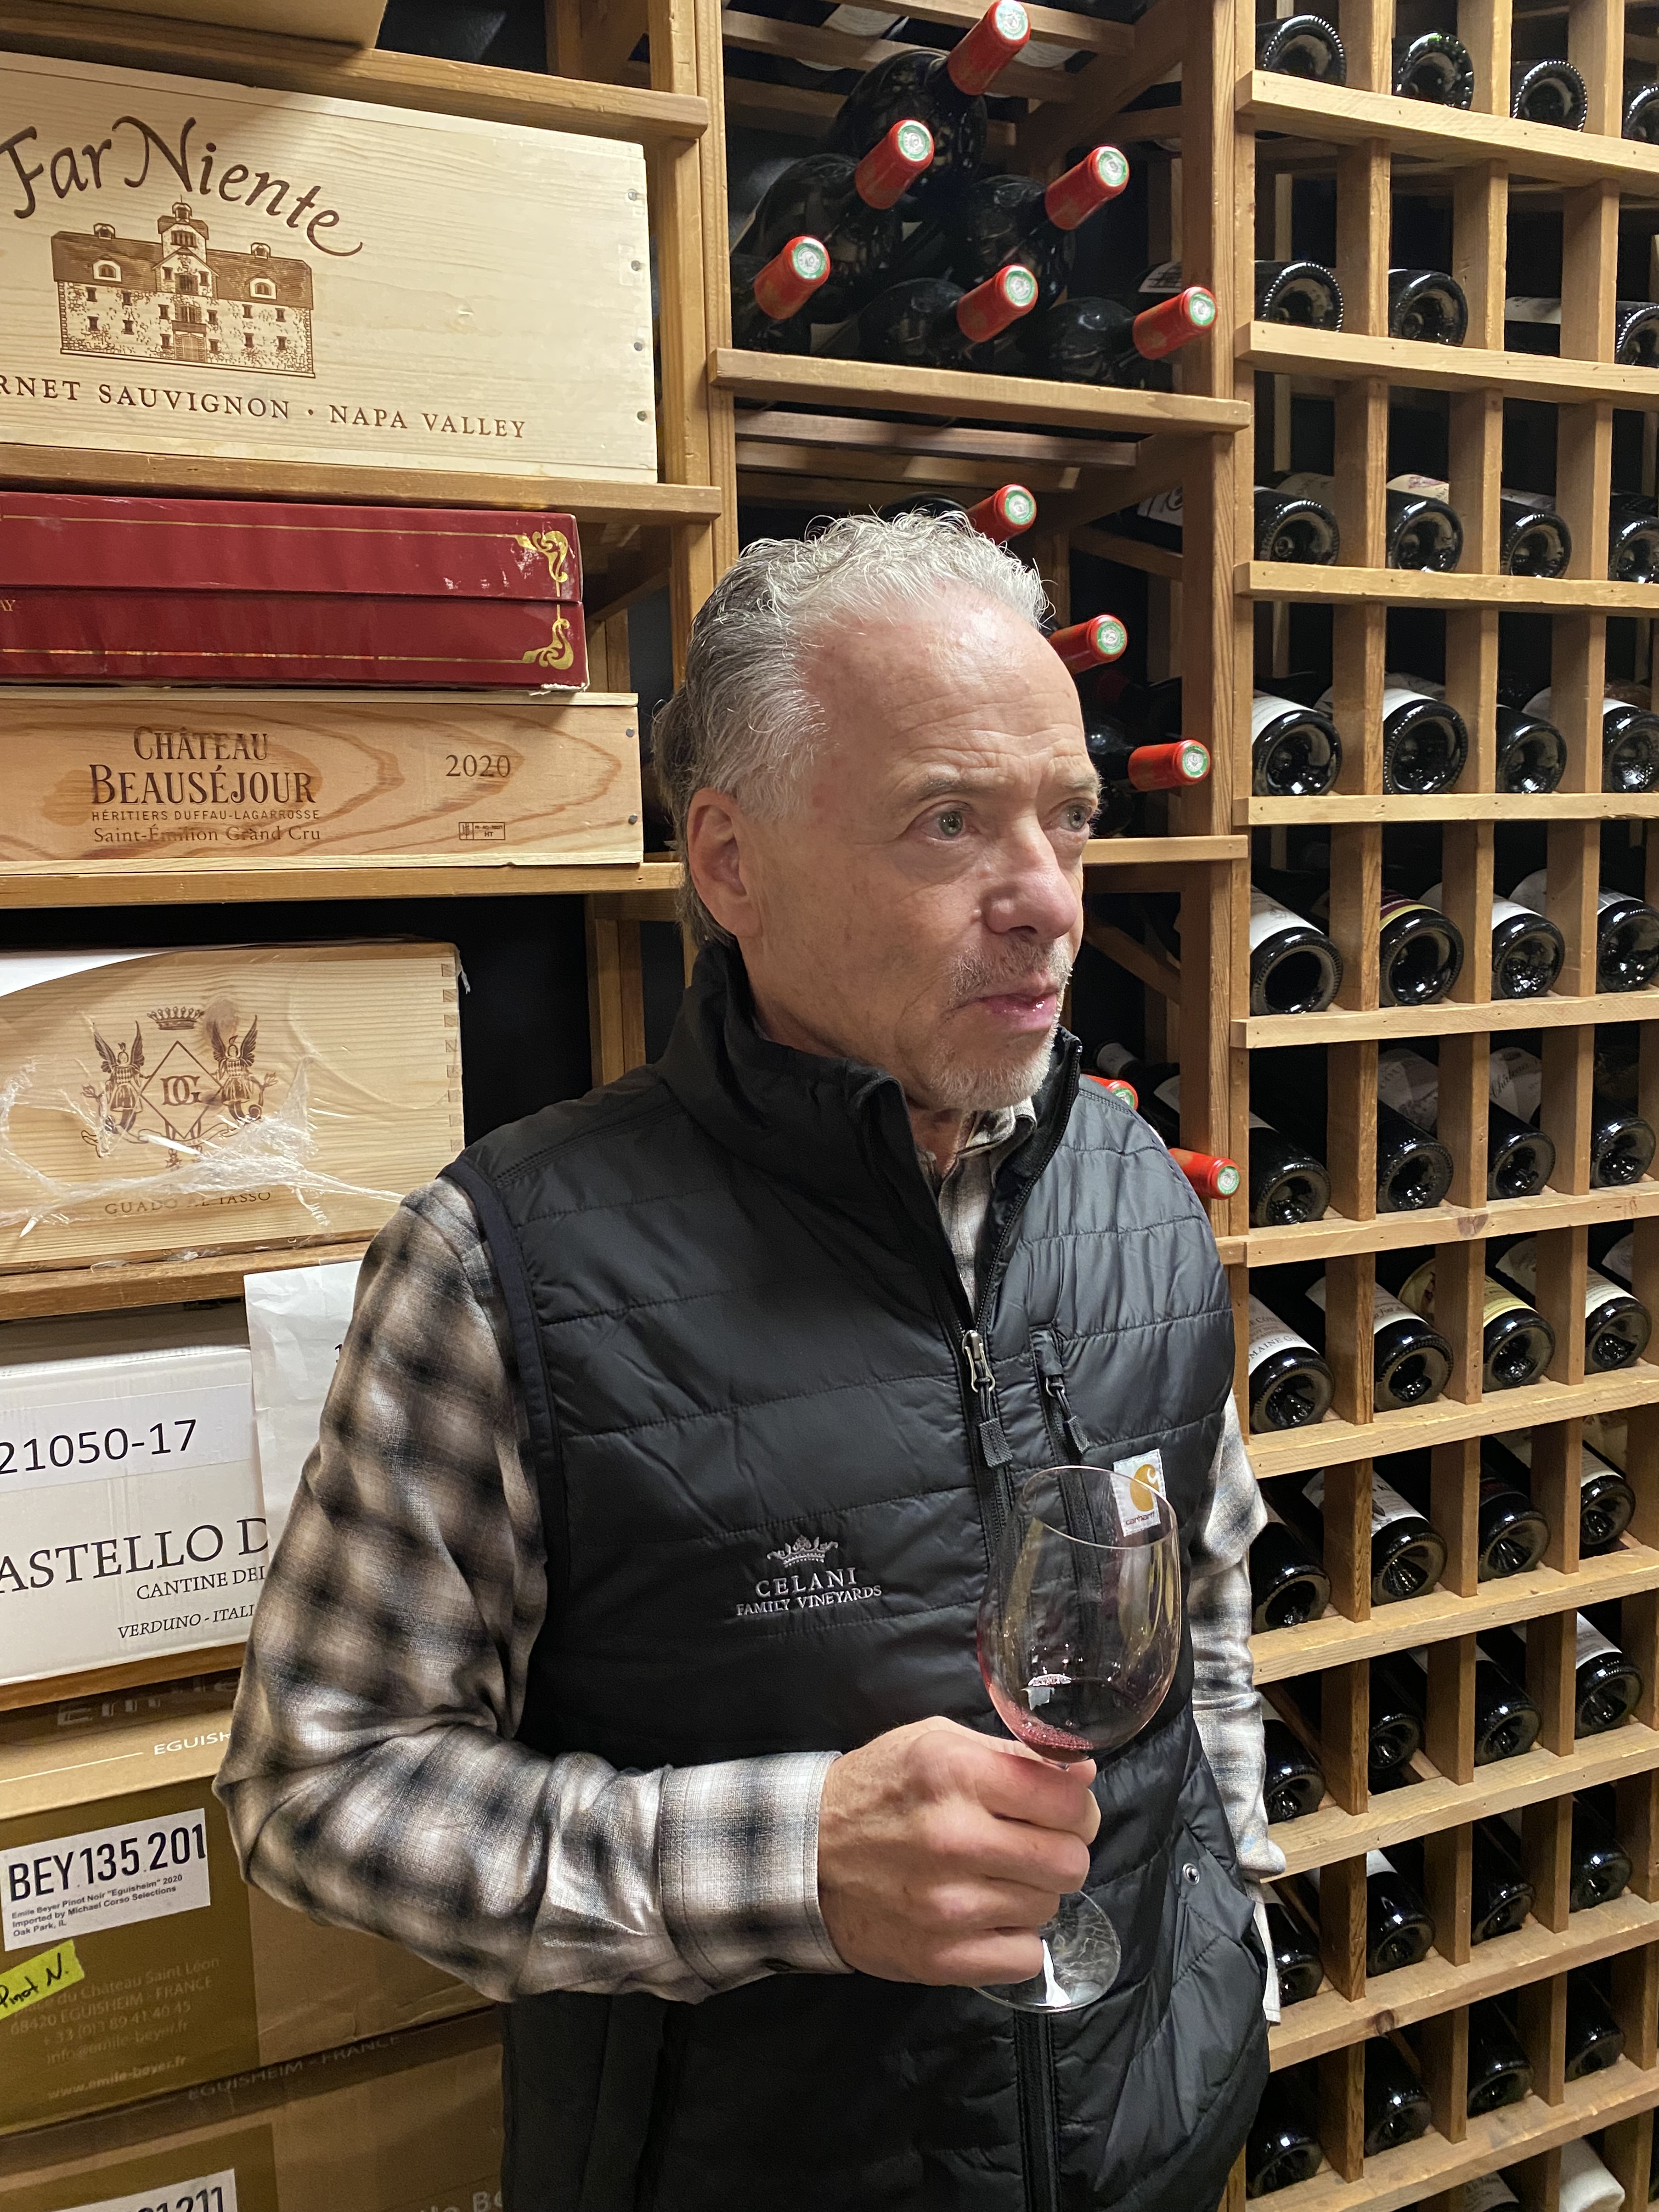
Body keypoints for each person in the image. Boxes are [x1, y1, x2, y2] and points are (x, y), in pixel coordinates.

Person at [217, 512, 1283, 2212]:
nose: (1048, 901)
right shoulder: (499, 1268)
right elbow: (318, 1789)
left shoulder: (1141, 1197)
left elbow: (1207, 1601)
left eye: (1068, 816)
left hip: (1158, 2145)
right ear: (731, 864)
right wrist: (792, 1863)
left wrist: (1237, 1943)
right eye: (950, 821)